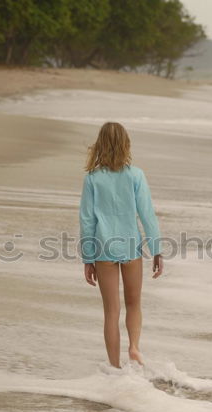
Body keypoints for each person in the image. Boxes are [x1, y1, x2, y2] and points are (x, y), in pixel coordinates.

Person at [79, 122, 163, 368]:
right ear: (126, 144)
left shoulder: (92, 179)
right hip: (131, 246)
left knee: (111, 312)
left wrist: (87, 258)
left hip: (104, 247)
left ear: (100, 144)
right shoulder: (136, 175)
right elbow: (147, 214)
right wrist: (156, 249)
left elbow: (87, 221)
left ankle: (115, 368)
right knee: (134, 303)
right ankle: (134, 347)